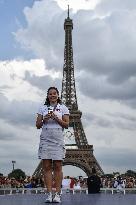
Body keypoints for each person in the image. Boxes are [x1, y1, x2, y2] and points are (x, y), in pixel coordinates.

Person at [36, 87, 69, 203]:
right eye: (50, 94)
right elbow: (37, 125)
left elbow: (66, 124)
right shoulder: (42, 108)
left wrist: (55, 117)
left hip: (58, 138)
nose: (52, 95)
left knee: (58, 166)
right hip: (46, 138)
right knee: (46, 167)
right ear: (48, 96)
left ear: (58, 95)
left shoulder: (63, 108)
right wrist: (44, 119)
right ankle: (49, 193)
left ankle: (58, 194)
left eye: (54, 94)